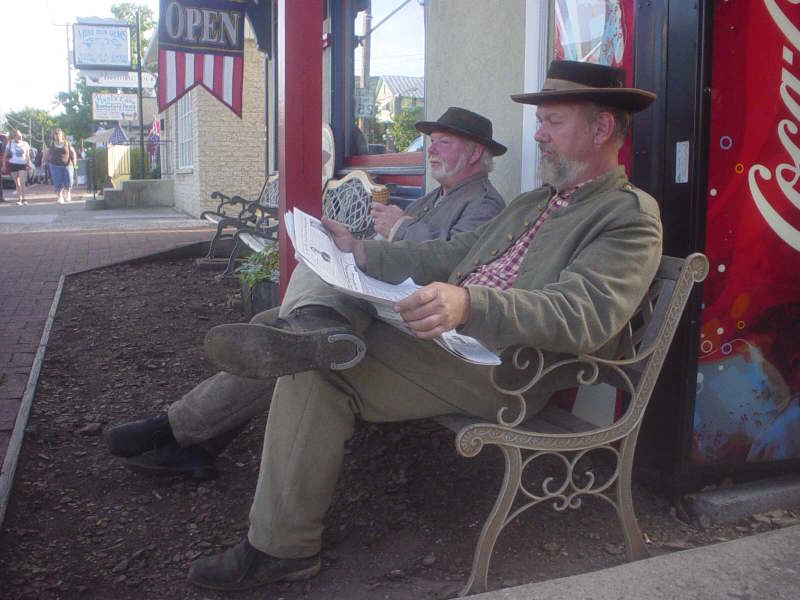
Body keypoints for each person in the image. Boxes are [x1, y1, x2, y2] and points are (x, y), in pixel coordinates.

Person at [182, 60, 663, 590]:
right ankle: (308, 334)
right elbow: (453, 253)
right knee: (313, 294)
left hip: (505, 369)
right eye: (540, 121)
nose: (538, 134)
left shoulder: (628, 215)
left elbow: (585, 313)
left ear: (601, 128)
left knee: (320, 369)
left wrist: (470, 303)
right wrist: (363, 251)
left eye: (553, 121)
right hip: (449, 341)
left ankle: (279, 546)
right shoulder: (535, 202)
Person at [105, 107, 508, 479]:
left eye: (443, 142)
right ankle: (197, 442)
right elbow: (403, 249)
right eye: (431, 141)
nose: (431, 149)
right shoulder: (434, 197)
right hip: (387, 302)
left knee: (285, 338)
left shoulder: (485, 206)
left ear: (476, 153)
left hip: (420, 322)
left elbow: (452, 264)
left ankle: (174, 428)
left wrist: (399, 227)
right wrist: (356, 244)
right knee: (275, 328)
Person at [46, 128, 77, 204]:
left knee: (69, 180)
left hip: (68, 165)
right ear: (54, 136)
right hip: (55, 166)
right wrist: (44, 161)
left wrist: (75, 165)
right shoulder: (52, 144)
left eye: (59, 134)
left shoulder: (66, 143)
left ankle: (68, 193)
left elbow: (73, 153)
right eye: (56, 135)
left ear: (62, 135)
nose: (57, 136)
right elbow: (47, 153)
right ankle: (60, 197)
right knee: (57, 182)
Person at [2, 130, 32, 205]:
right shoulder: (10, 143)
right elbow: (5, 155)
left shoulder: (25, 144)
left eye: (20, 135)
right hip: (13, 164)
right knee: (17, 183)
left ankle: (24, 198)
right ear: (14, 136)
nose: (20, 137)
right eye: (18, 135)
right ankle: (19, 198)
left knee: (22, 182)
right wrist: (3, 165)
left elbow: (27, 155)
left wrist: (28, 164)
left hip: (22, 164)